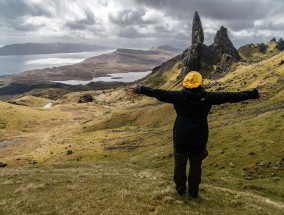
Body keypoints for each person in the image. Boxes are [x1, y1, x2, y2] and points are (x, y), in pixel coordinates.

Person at [128, 71, 268, 198]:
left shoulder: (178, 96)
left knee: (179, 164)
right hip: (199, 138)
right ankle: (193, 192)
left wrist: (140, 89)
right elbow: (230, 96)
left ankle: (180, 189)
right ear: (199, 84)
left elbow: (158, 93)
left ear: (185, 84)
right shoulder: (208, 97)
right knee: (196, 165)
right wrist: (253, 93)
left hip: (181, 137)